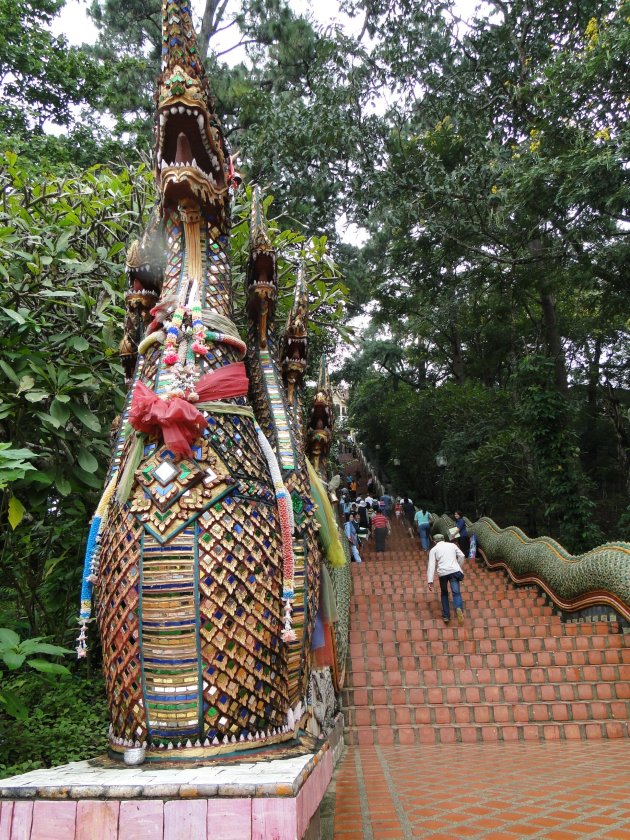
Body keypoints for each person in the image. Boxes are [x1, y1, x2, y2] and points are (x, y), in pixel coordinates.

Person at [427, 533, 465, 625]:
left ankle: (446, 616)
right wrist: (458, 566)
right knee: (456, 592)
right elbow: (462, 556)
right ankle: (458, 607)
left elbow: (431, 565)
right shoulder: (452, 545)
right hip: (454, 571)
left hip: (443, 573)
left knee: (444, 593)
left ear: (434, 541)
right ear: (443, 539)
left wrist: (430, 581)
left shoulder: (434, 549)